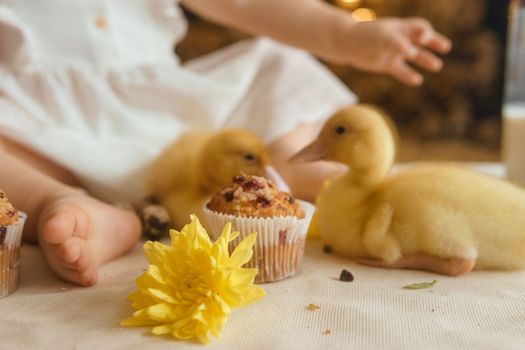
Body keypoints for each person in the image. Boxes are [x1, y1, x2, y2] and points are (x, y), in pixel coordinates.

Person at [0, 0, 451, 286]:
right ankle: (64, 206)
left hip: (176, 111)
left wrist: (346, 35)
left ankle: (333, 182)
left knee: (273, 64)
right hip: (42, 123)